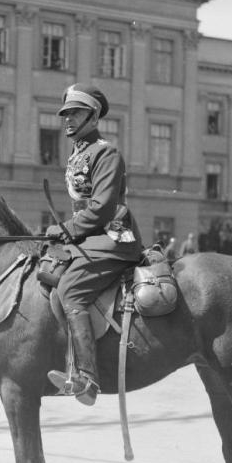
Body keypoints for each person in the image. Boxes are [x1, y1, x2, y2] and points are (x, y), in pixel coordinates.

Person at [44, 83, 143, 406]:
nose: (68, 120)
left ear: (93, 116)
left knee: (70, 289)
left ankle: (87, 378)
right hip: (90, 236)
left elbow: (101, 208)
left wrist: (67, 229)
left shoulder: (106, 153)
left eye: (75, 113)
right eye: (65, 114)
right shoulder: (78, 154)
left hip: (114, 236)